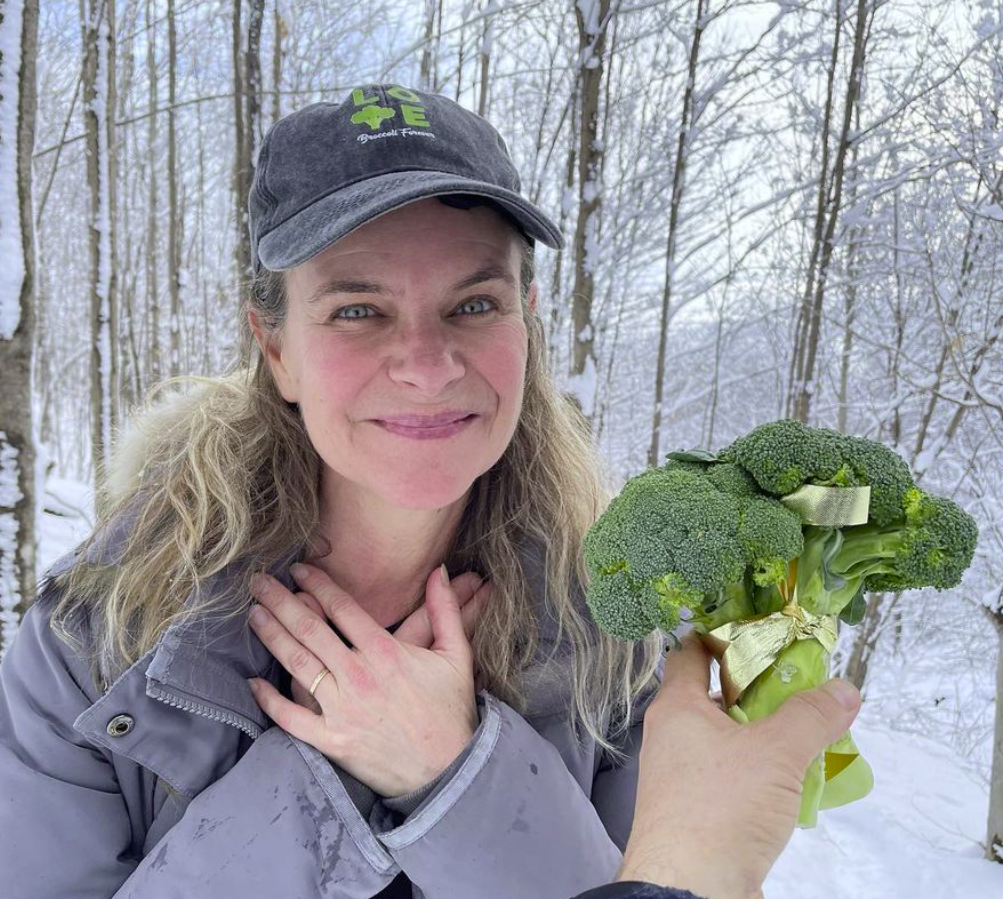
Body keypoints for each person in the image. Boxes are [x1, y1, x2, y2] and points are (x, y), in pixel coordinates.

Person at [0, 82, 859, 899]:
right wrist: (332, 779)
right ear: (275, 347)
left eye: (473, 304)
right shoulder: (95, 644)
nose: (426, 366)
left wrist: (457, 777)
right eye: (356, 309)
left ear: (527, 318)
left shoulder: (624, 641)